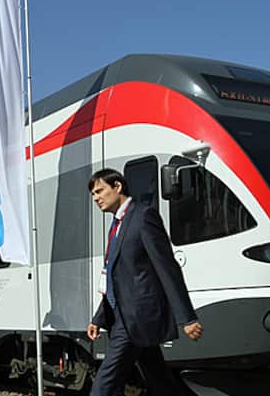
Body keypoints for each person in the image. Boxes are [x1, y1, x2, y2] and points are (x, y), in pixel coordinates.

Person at [86, 168, 203, 396]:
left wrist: (186, 318)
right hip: (124, 316)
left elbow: (167, 267)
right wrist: (99, 318)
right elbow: (114, 278)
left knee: (104, 384)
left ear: (117, 186)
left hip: (136, 316)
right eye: (93, 194)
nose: (96, 198)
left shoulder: (143, 216)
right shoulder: (116, 225)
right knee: (159, 380)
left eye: (99, 191)